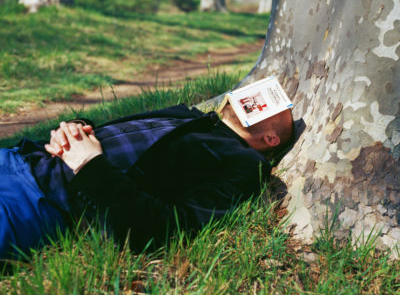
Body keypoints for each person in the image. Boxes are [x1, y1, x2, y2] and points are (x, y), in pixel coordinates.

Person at [0, 103, 293, 259]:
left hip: (38, 201)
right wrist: (75, 128)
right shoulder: (192, 116)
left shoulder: (245, 166)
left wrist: (89, 166)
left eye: (276, 103)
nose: (257, 96)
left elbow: (168, 226)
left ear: (271, 137)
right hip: (19, 155)